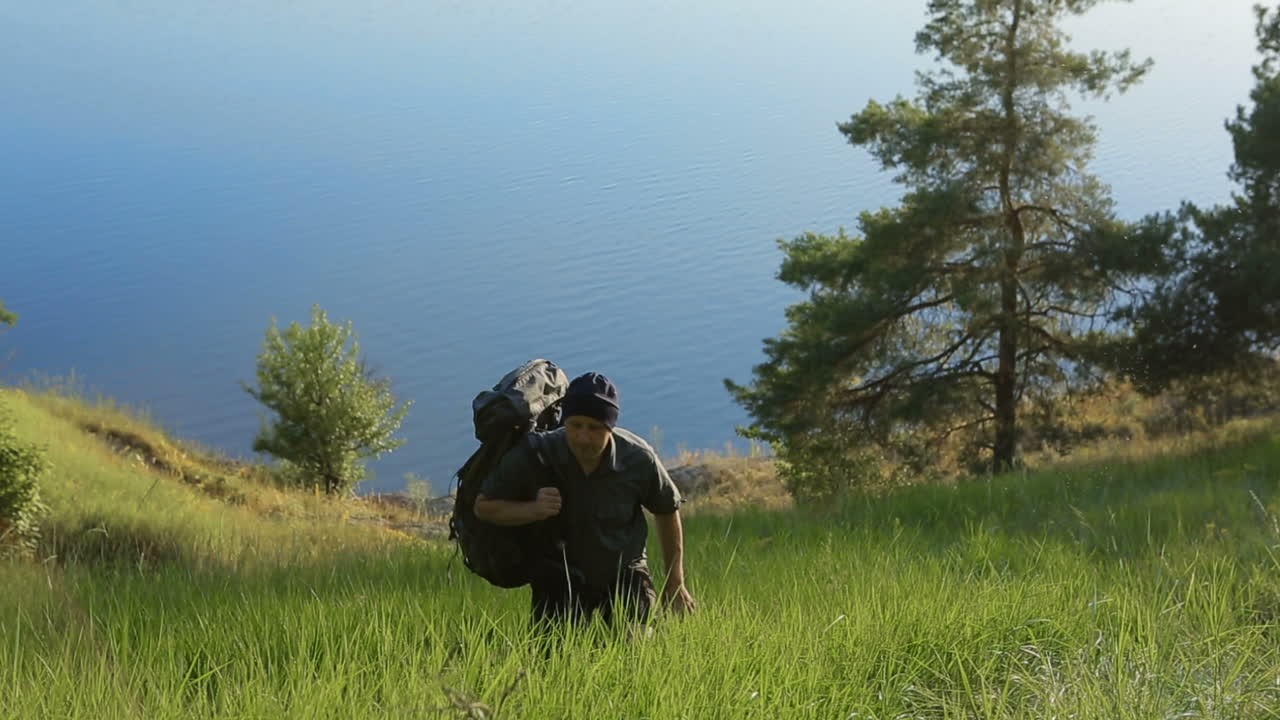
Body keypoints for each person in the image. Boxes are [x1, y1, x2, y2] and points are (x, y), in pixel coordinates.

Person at [473, 372, 696, 626]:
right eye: (575, 425)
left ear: (610, 427)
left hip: (625, 574)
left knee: (638, 650)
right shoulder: (536, 452)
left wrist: (675, 583)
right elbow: (484, 507)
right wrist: (532, 510)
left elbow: (667, 510)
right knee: (555, 660)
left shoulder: (638, 458)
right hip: (559, 578)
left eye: (594, 428)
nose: (583, 438)